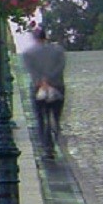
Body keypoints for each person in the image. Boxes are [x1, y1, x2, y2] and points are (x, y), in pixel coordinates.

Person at [21, 27, 66, 158]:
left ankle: (47, 147)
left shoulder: (28, 53)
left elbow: (31, 70)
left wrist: (42, 81)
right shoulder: (58, 50)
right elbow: (61, 66)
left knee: (41, 118)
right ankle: (55, 136)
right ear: (45, 36)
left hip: (38, 87)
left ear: (34, 38)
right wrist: (50, 79)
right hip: (57, 85)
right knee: (55, 116)